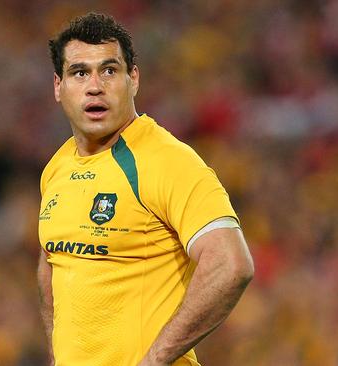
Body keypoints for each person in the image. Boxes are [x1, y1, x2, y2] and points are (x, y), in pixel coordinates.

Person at [37, 13, 254, 366]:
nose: (95, 86)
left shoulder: (167, 161)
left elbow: (231, 263)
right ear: (58, 86)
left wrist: (154, 359)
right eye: (80, 73)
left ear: (133, 79)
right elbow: (52, 257)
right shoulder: (57, 168)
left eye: (109, 70)